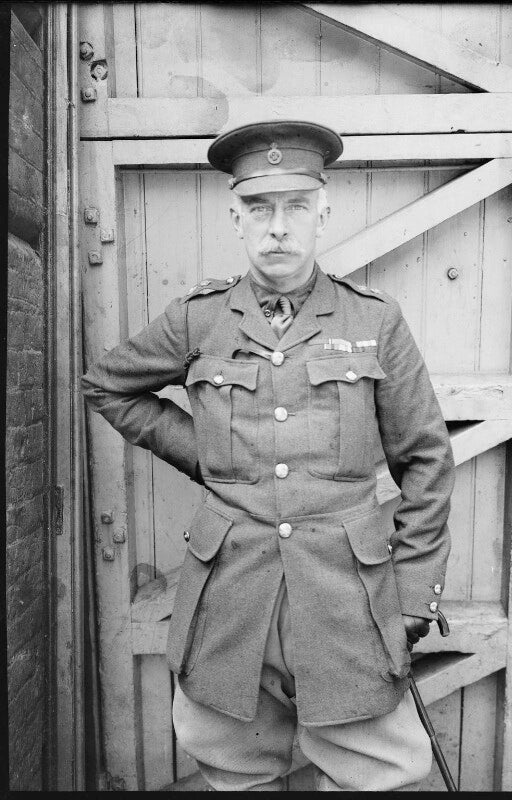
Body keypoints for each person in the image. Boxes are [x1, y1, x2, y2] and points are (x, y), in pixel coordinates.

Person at [82, 120, 455, 791]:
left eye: (295, 207)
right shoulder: (198, 319)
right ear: (236, 218)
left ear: (322, 214)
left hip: (346, 597)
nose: (277, 228)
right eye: (259, 208)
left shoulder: (373, 320)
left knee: (378, 775)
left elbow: (426, 459)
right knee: (235, 770)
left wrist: (412, 596)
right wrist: (205, 453)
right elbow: (107, 385)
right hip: (231, 594)